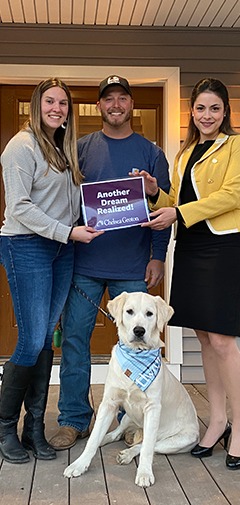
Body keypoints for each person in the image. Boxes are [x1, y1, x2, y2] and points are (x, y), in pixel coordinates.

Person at [135, 78, 240, 470]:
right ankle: (216, 420)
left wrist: (178, 212)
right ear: (192, 112)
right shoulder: (185, 151)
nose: (207, 115)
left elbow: (230, 196)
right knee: (204, 338)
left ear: (225, 112)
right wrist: (155, 192)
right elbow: (176, 201)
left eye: (214, 109)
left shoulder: (237, 145)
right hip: (189, 247)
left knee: (222, 339)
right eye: (201, 108)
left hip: (222, 247)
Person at [49, 75, 171, 450]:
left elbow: (164, 207)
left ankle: (127, 421)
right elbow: (64, 200)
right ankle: (73, 419)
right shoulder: (81, 148)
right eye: (108, 99)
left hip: (132, 266)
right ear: (99, 106)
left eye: (122, 98)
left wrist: (157, 255)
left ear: (130, 105)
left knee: (138, 346)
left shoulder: (151, 153)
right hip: (84, 263)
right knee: (74, 341)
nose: (115, 105)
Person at [0, 77, 103, 464]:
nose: (56, 108)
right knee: (29, 340)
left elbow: (73, 203)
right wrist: (69, 232)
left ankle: (35, 429)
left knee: (45, 339)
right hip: (27, 247)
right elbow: (20, 208)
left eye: (63, 103)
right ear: (36, 104)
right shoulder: (21, 147)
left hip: (62, 250)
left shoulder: (62, 149)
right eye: (50, 102)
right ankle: (6, 426)